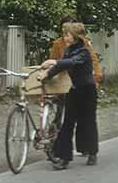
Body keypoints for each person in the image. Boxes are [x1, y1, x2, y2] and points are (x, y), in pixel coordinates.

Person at [42, 22, 99, 170]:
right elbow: (62, 65)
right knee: (67, 123)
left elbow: (71, 62)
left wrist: (54, 61)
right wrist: (47, 75)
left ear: (75, 37)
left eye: (67, 34)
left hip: (87, 90)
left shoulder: (84, 51)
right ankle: (63, 157)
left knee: (88, 122)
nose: (65, 37)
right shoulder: (69, 49)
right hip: (73, 90)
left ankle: (92, 152)